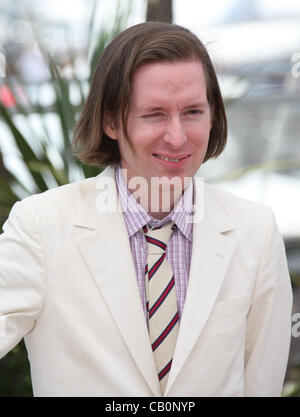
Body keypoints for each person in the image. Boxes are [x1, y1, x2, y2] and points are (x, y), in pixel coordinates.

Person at [0, 21, 293, 397]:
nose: (177, 136)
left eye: (192, 112)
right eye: (154, 114)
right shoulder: (41, 226)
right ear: (110, 121)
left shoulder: (256, 231)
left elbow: (261, 385)